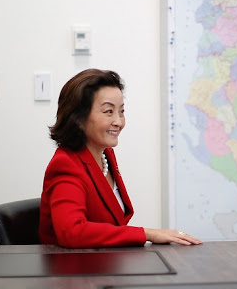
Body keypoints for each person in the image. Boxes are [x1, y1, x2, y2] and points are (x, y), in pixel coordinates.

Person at [39, 68, 202, 248]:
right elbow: (72, 232)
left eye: (121, 111)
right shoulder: (66, 165)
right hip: (73, 265)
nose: (118, 121)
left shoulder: (106, 155)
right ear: (78, 118)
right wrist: (147, 233)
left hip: (106, 261)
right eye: (108, 111)